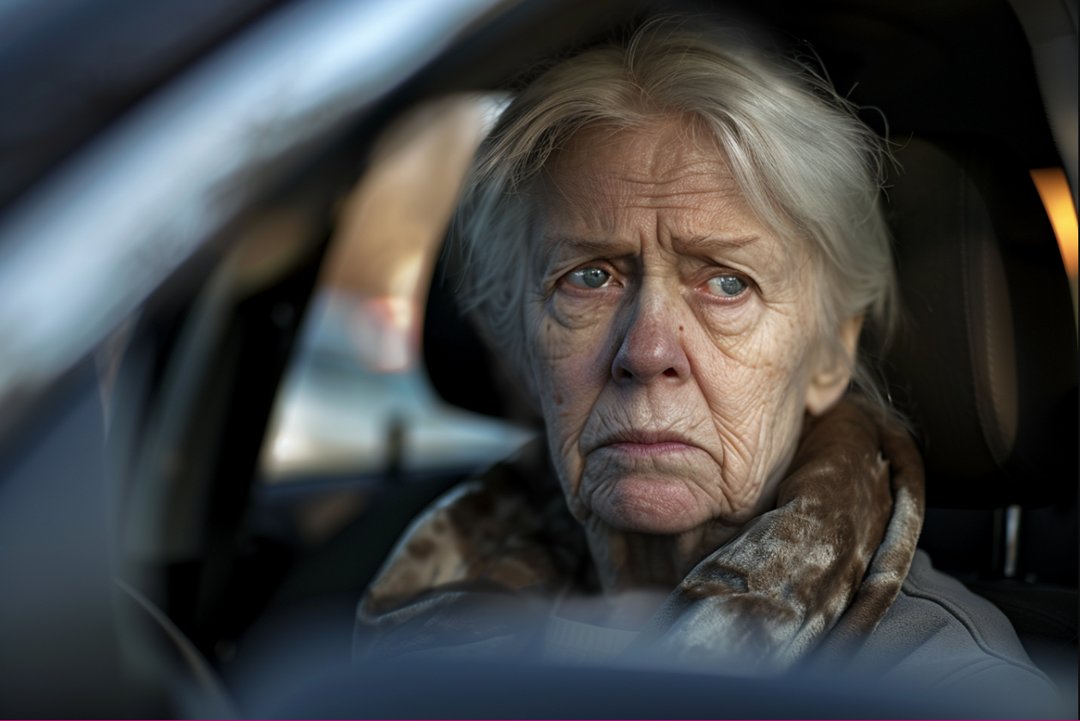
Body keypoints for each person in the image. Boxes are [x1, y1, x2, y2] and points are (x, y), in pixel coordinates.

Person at [353, 16, 1058, 706]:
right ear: (520, 346)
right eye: (590, 277)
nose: (648, 350)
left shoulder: (943, 686)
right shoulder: (391, 599)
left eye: (727, 282)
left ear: (829, 355)